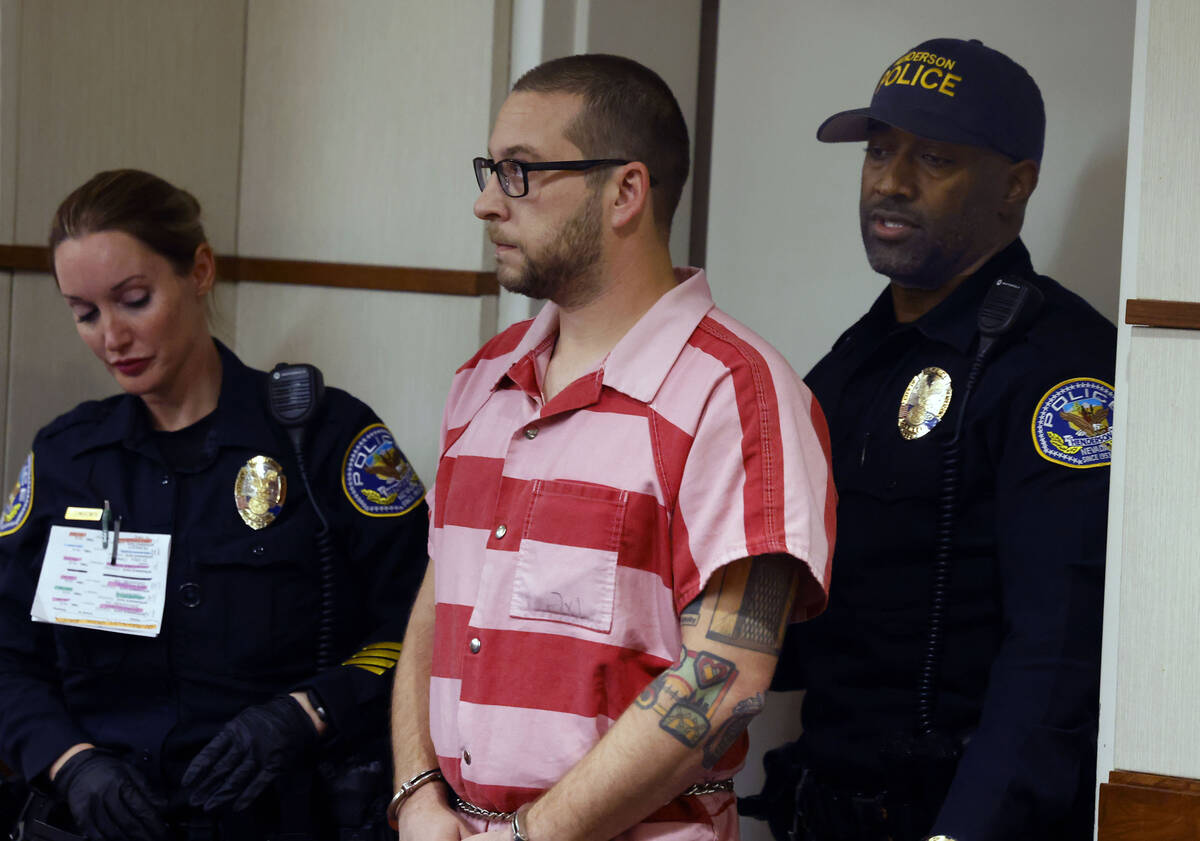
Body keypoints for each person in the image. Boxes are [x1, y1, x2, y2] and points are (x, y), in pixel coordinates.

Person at [387, 54, 836, 841]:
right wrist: (417, 788)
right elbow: (441, 590)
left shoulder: (737, 394)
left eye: (520, 172)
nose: (487, 203)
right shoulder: (483, 378)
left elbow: (723, 677)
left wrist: (533, 835)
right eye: (490, 169)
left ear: (625, 191)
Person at [742, 38, 1115, 841]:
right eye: (879, 151)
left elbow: (1057, 654)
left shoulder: (1058, 366)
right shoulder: (847, 365)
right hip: (821, 806)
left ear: (1016, 186)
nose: (890, 181)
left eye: (933, 159)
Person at [0, 169, 429, 840]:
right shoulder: (67, 458)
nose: (111, 335)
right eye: (85, 313)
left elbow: (420, 625)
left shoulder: (326, 441)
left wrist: (310, 709)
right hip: (103, 824)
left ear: (199, 270)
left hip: (276, 819)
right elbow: (8, 651)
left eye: (133, 299)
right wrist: (69, 762)